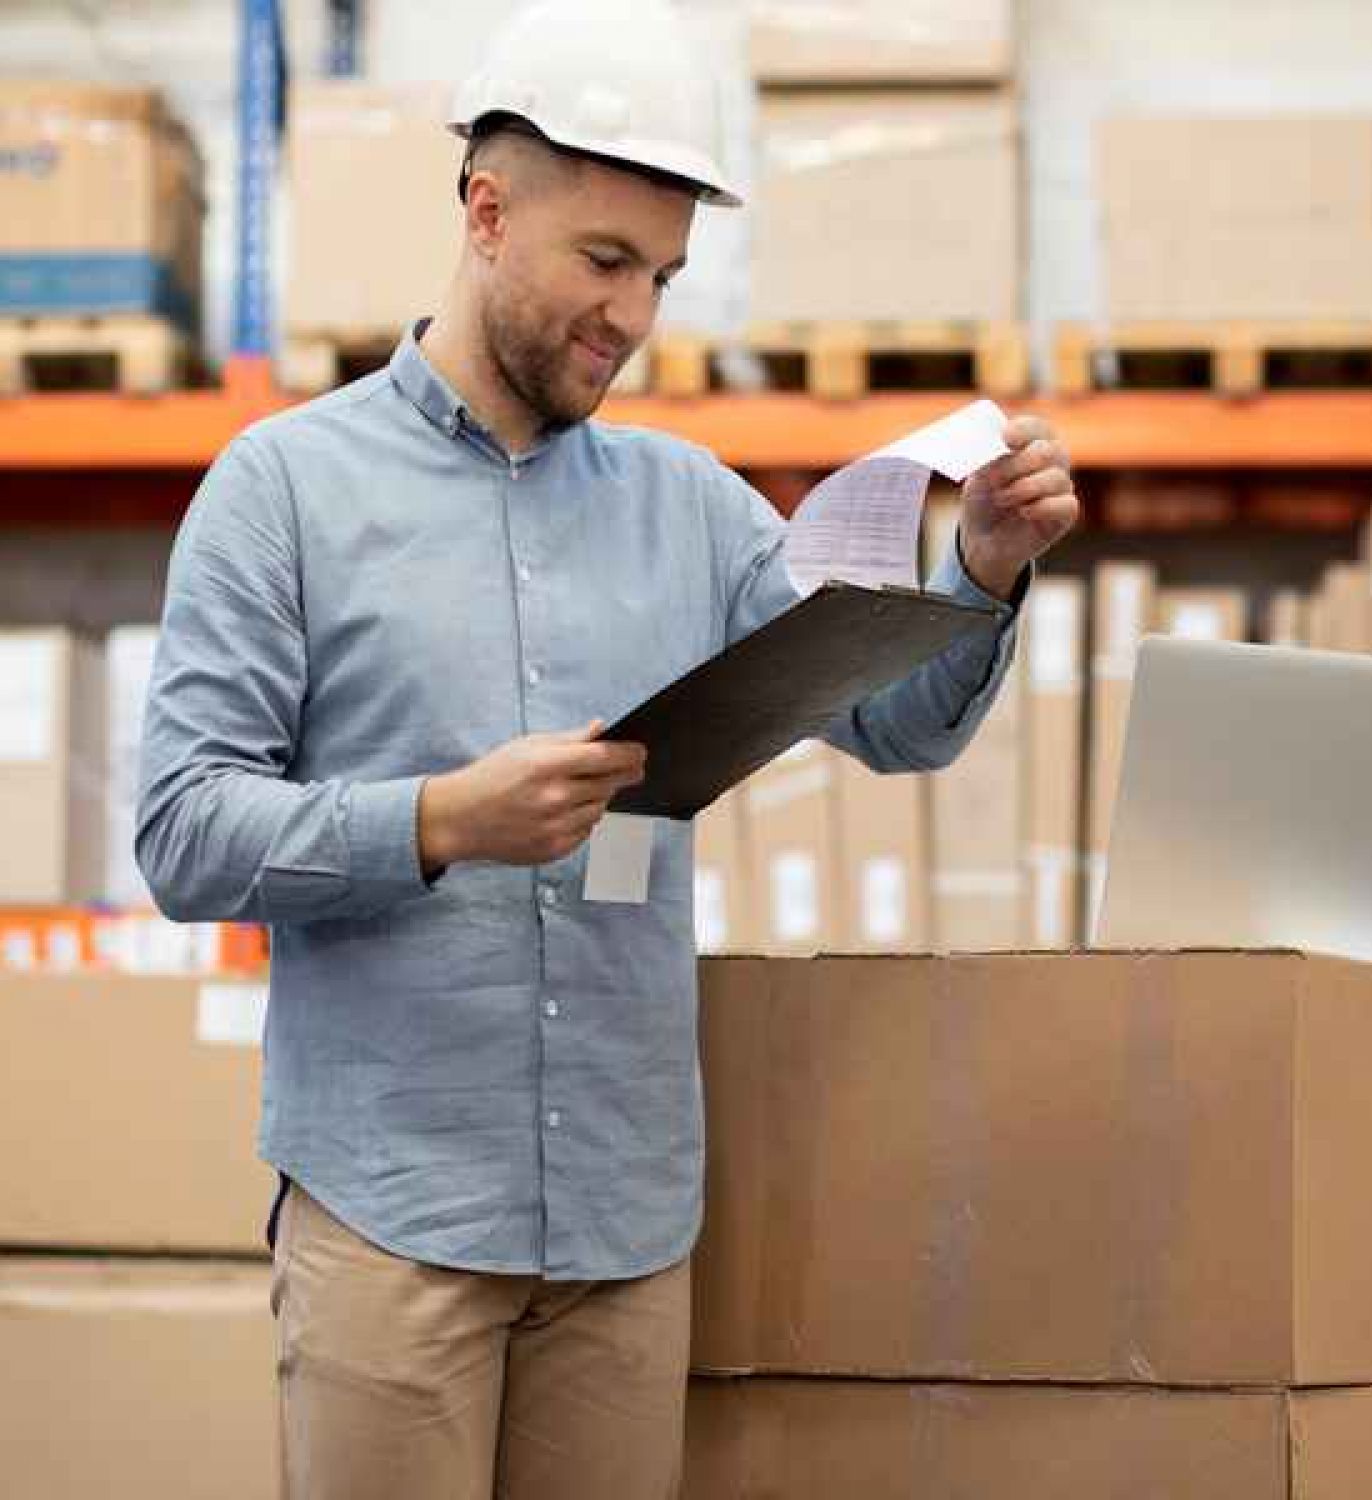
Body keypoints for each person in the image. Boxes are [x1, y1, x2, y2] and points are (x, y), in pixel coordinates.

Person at [135, 2, 1078, 1496]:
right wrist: (440, 820)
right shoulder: (284, 492)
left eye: (663, 276)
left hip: (627, 1232)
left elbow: (893, 728)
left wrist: (979, 572)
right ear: (488, 212)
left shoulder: (695, 510)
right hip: (394, 1220)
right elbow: (185, 833)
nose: (635, 316)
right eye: (605, 263)